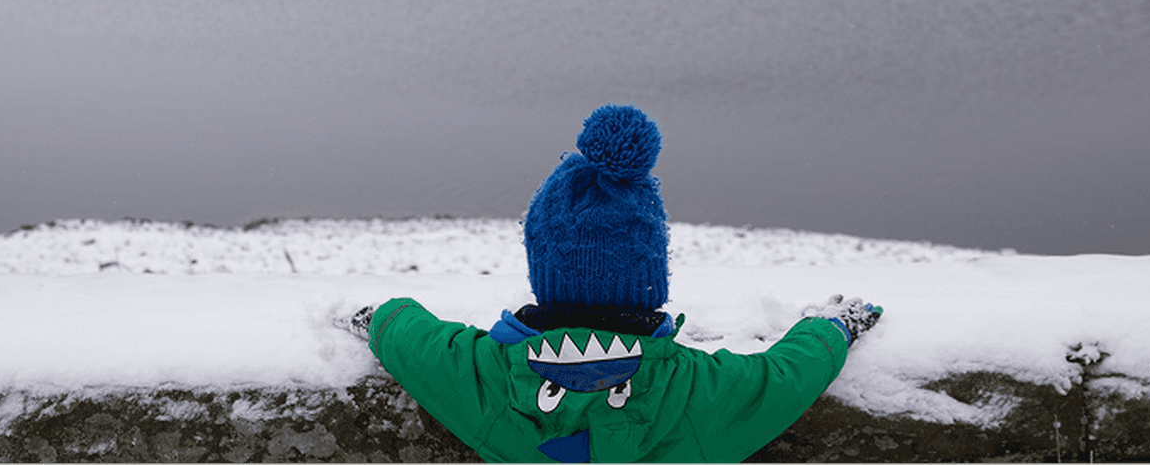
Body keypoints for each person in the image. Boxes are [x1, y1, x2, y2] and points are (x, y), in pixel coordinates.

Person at [353, 104, 882, 464]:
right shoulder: (697, 392)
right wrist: (835, 325)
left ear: (544, 270)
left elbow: (406, 335)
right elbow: (788, 374)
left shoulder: (486, 377)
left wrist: (372, 316)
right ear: (651, 274)